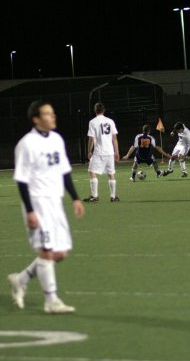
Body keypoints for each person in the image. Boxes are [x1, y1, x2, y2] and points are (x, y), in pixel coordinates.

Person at [7, 101, 85, 314]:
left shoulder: (57, 139)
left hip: (55, 202)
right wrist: (30, 210)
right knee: (47, 251)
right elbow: (22, 180)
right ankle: (51, 301)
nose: (53, 117)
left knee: (60, 253)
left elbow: (64, 171)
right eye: (48, 114)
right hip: (37, 202)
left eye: (53, 113)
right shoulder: (26, 144)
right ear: (36, 119)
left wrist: (76, 198)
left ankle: (20, 279)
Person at [83, 102, 120, 202]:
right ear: (104, 110)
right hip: (110, 152)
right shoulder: (110, 121)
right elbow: (114, 138)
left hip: (99, 151)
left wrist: (89, 151)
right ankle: (113, 196)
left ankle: (95, 196)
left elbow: (91, 138)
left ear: (95, 111)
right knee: (111, 173)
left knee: (92, 171)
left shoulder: (93, 122)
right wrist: (117, 152)